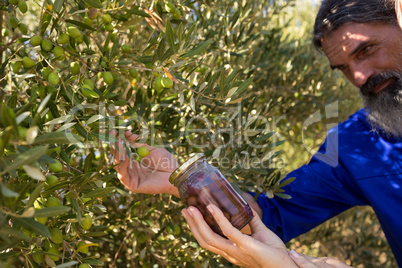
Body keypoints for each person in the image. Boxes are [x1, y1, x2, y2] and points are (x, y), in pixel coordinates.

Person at [112, 0, 402, 266]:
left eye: (366, 50)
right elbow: (265, 218)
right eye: (343, 69)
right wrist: (185, 178)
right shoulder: (359, 144)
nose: (359, 77)